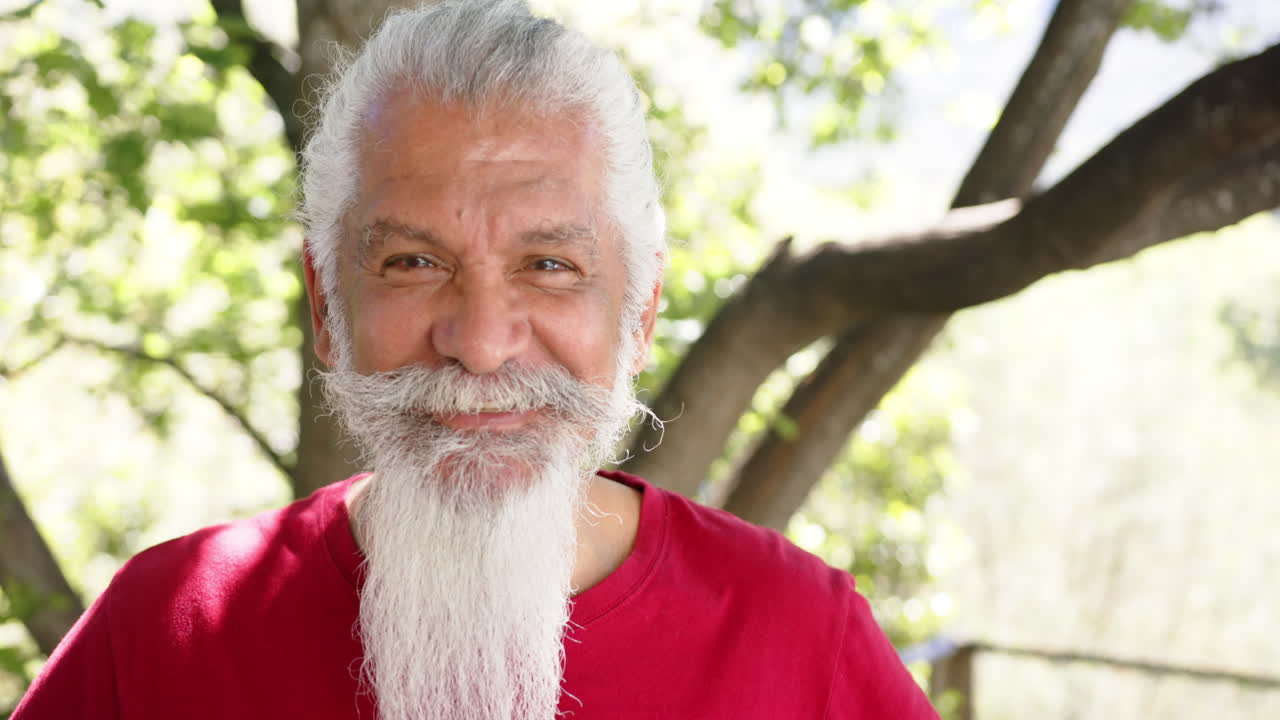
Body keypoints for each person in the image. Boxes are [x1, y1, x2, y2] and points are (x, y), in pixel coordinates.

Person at [13, 1, 939, 718]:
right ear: (326, 306)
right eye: (413, 263)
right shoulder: (165, 628)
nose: (482, 341)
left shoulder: (799, 638)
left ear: (641, 311)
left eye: (549, 265)